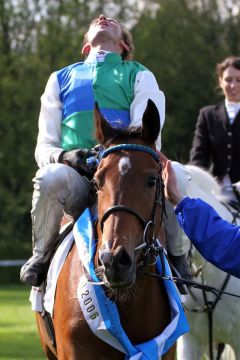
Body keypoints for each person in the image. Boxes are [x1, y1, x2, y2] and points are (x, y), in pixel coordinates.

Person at [20, 15, 167, 287]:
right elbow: (44, 147)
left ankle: (179, 261)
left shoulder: (139, 74)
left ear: (123, 44)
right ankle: (40, 256)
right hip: (75, 182)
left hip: (124, 179)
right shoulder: (59, 79)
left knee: (179, 176)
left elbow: (145, 133)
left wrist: (107, 157)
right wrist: (65, 157)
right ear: (86, 47)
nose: (102, 18)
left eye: (112, 21)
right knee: (48, 177)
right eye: (96, 22)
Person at [162, 157, 240, 279]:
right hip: (216, 183)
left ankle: (178, 254)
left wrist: (179, 201)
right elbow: (199, 154)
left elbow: (230, 247)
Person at [190, 56, 240, 203]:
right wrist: (194, 182)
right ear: (220, 81)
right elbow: (199, 155)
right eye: (228, 80)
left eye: (238, 80)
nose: (233, 85)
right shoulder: (207, 115)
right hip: (216, 191)